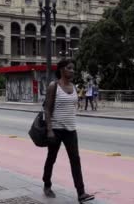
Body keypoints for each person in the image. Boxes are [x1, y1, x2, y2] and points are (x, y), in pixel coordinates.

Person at [43, 59, 95, 203]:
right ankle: (47, 184)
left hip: (71, 130)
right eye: (69, 68)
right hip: (56, 129)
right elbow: (47, 109)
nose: (72, 71)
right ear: (61, 70)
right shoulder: (54, 86)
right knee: (51, 158)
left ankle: (81, 193)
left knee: (75, 160)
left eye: (73, 68)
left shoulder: (73, 86)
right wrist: (49, 130)